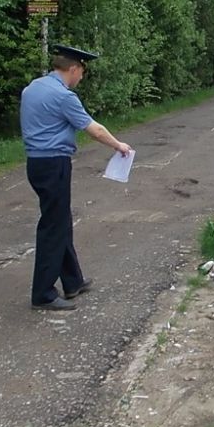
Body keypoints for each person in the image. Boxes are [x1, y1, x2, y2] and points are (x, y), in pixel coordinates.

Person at [20, 44, 132, 310]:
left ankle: (73, 281)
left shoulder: (32, 88)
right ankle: (43, 294)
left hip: (35, 163)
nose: (81, 77)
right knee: (52, 227)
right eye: (82, 71)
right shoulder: (63, 96)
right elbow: (94, 129)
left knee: (60, 220)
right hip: (53, 164)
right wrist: (119, 146)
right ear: (73, 69)